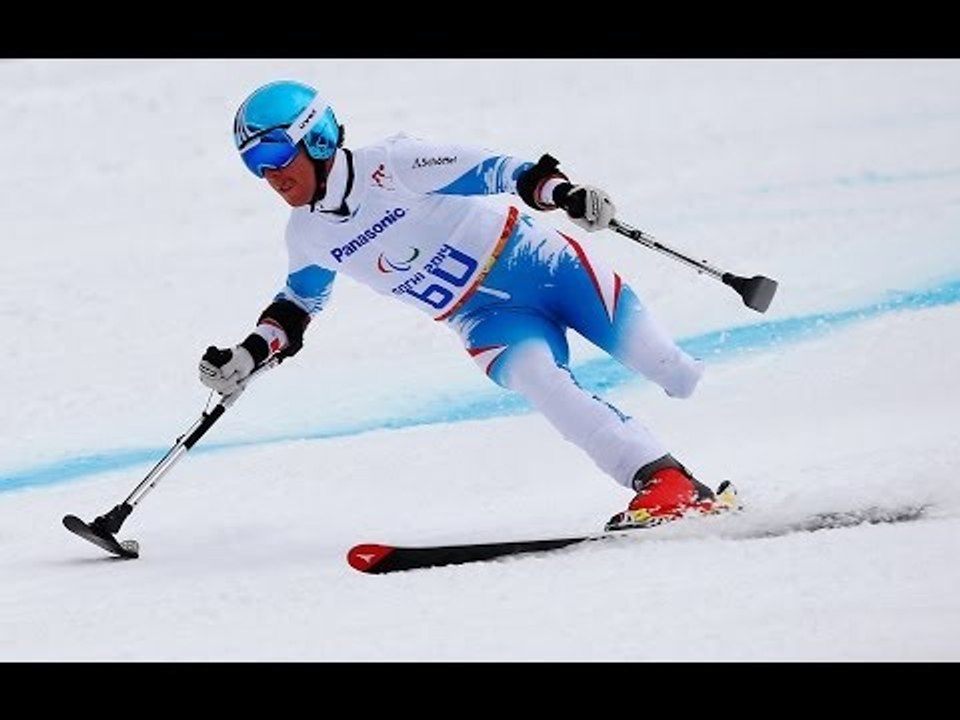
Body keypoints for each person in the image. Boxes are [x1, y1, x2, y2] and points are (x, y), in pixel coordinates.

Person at [199, 79, 731, 531]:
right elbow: (297, 305)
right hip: (484, 319)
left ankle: (737, 444)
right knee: (542, 383)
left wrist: (563, 193)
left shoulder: (392, 163)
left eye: (274, 155)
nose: (269, 174)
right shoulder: (307, 234)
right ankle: (666, 481)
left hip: (541, 266)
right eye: (253, 164)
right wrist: (248, 354)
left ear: (315, 138)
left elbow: (500, 170)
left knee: (674, 373)